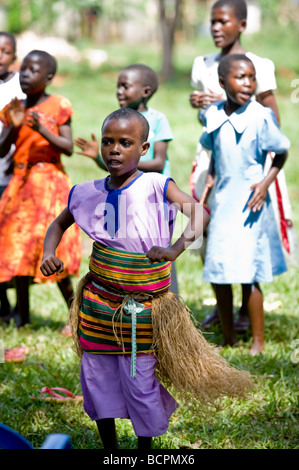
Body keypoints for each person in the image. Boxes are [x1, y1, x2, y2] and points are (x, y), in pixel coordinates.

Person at [40, 108, 253, 449]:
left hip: (143, 310)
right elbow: (58, 224)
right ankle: (110, 449)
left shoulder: (156, 185)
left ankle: (144, 452)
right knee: (97, 379)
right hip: (98, 304)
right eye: (108, 142)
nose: (114, 149)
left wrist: (177, 248)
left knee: (139, 383)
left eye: (125, 143)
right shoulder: (86, 191)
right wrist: (49, 253)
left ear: (144, 148)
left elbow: (199, 211)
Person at [189, 0, 296, 332]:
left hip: (249, 161)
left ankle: (247, 312)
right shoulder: (202, 64)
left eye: (224, 21)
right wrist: (200, 107)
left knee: (247, 238)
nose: (217, 27)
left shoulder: (259, 65)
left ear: (242, 24)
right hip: (214, 159)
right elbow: (206, 117)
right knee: (208, 230)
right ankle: (223, 305)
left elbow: (269, 116)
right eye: (213, 21)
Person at [199, 54, 290, 356]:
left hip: (250, 199)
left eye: (252, 77)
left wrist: (265, 184)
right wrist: (211, 175)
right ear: (223, 83)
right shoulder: (212, 114)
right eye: (241, 78)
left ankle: (258, 342)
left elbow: (281, 152)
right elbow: (214, 147)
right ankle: (228, 338)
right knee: (219, 268)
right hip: (223, 199)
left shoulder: (261, 116)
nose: (248, 83)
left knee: (250, 272)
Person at [75, 63, 179, 294]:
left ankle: (165, 299)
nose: (119, 91)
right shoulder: (118, 122)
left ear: (146, 91)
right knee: (120, 243)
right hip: (124, 193)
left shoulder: (157, 119)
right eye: (117, 86)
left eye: (125, 86)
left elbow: (158, 162)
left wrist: (125, 163)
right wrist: (101, 159)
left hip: (152, 199)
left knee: (157, 251)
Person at [0, 50, 81, 327]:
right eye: (23, 69)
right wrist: (15, 125)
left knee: (50, 249)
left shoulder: (59, 104)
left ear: (48, 77)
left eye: (33, 71)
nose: (25, 75)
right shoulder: (15, 106)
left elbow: (68, 148)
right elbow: (2, 149)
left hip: (49, 184)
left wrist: (42, 130)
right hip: (20, 185)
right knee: (18, 250)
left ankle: (74, 315)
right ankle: (23, 317)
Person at [0, 32, 26, 319]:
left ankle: (19, 305)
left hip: (12, 177)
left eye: (5, 51)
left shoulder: (21, 85)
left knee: (11, 243)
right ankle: (4, 305)